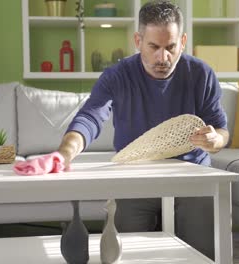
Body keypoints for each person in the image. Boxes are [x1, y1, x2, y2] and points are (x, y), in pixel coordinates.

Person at [57, 0, 229, 259]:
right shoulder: (117, 75)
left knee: (202, 254)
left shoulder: (201, 74)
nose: (163, 57)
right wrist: (63, 155)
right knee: (126, 254)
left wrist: (215, 139)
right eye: (154, 47)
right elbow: (89, 119)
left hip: (192, 176)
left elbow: (222, 130)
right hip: (134, 176)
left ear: (182, 41)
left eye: (171, 47)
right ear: (138, 41)